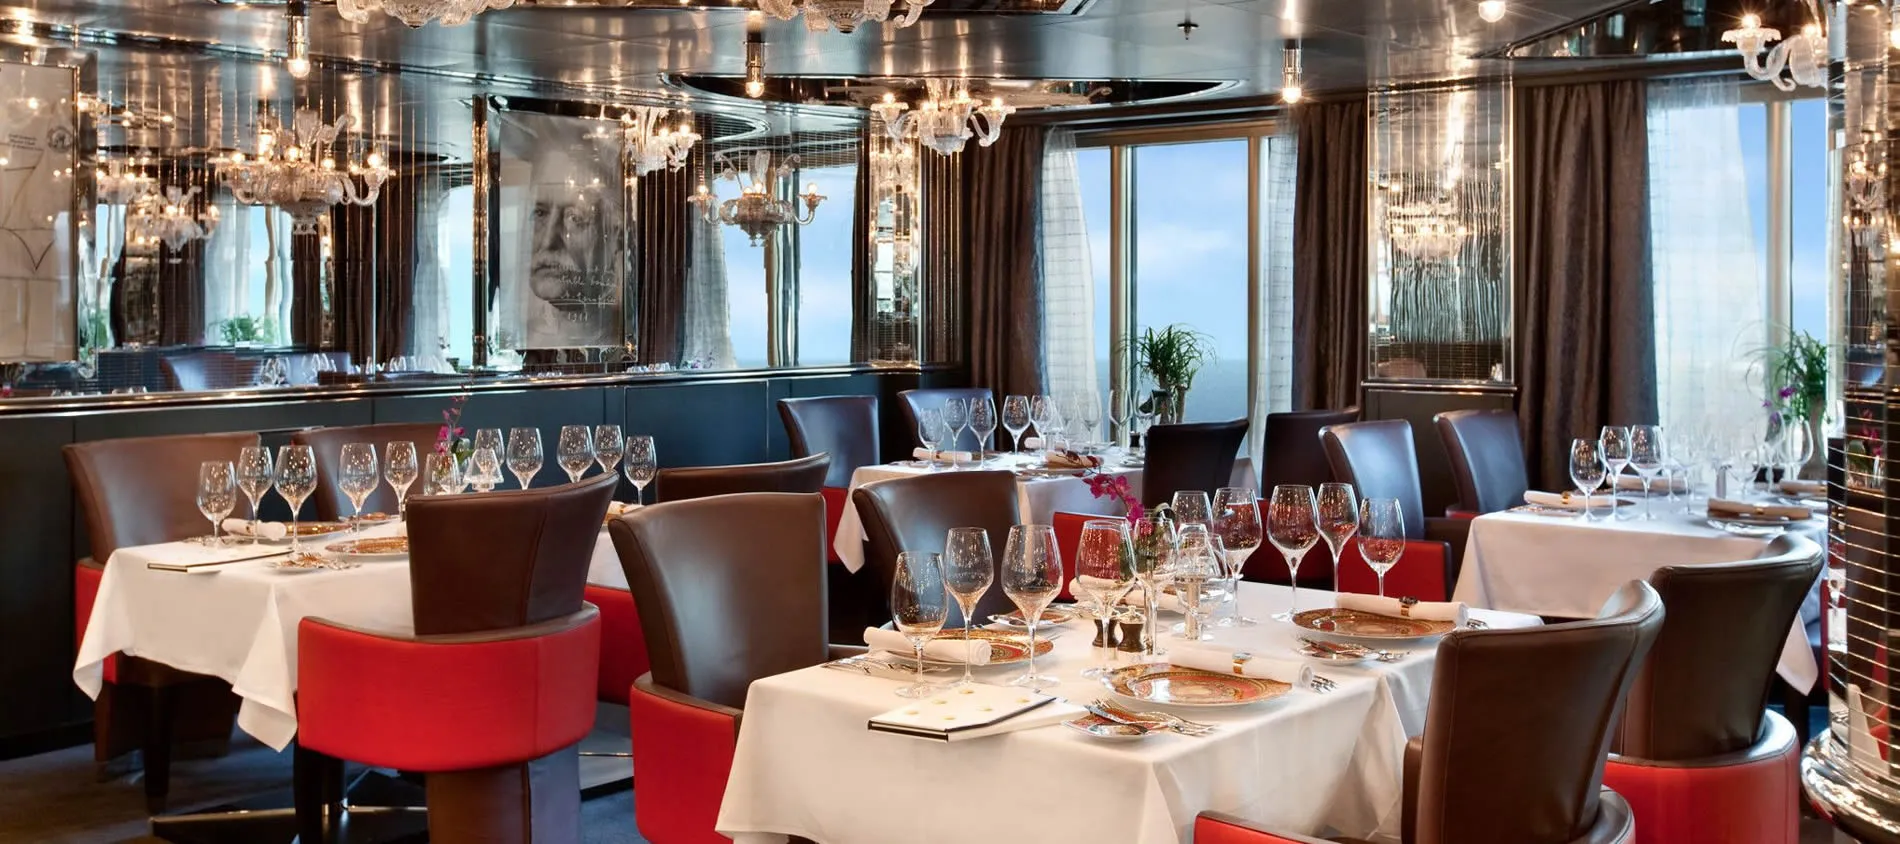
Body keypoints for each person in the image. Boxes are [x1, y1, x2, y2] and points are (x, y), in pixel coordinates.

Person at [519, 129, 622, 348]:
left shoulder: (628, 338)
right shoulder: (523, 339)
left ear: (617, 237)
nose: (548, 241)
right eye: (540, 213)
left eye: (575, 217)